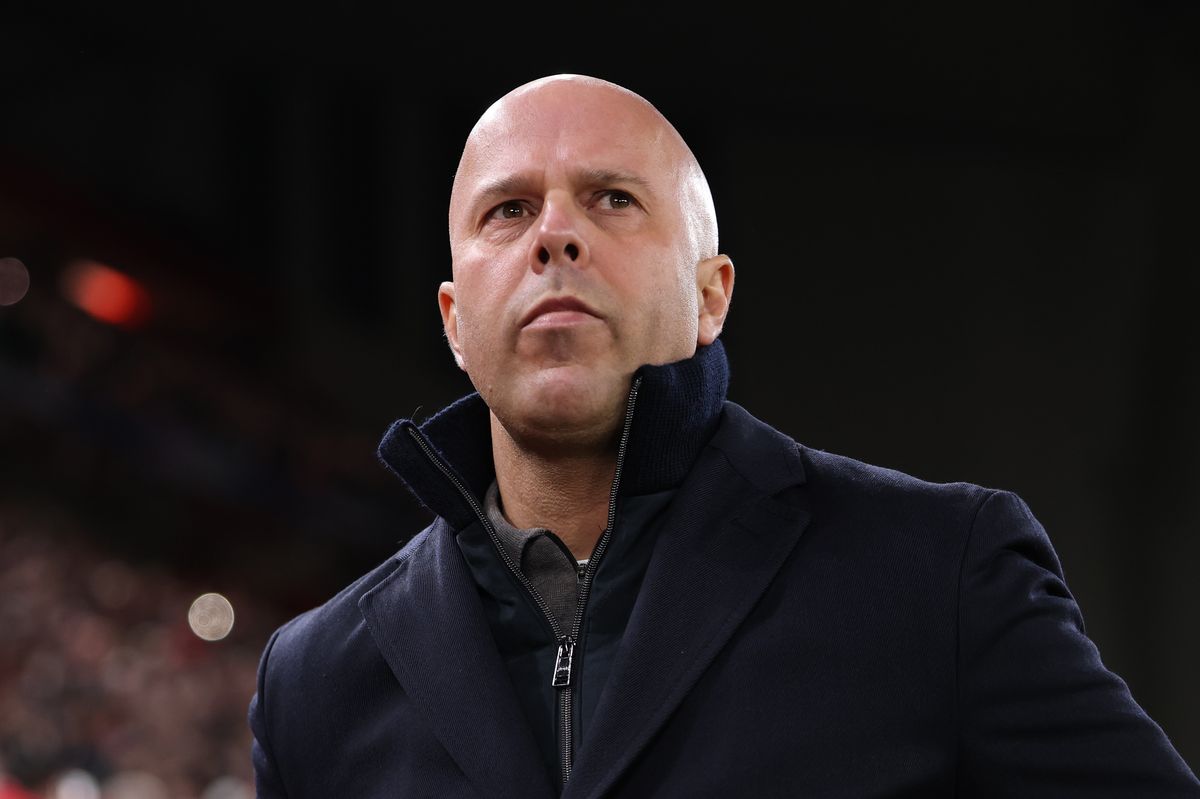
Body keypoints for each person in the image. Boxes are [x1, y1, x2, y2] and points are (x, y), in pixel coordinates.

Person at [247, 73, 1200, 798]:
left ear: (712, 297)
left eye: (613, 199)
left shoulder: (938, 574)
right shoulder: (314, 682)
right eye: (509, 210)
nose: (554, 236)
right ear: (455, 321)